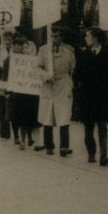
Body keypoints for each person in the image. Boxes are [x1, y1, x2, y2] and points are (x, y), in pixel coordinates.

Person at [74, 27, 108, 166]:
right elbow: (77, 75)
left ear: (96, 38)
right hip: (87, 96)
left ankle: (104, 155)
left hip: (103, 96)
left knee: (102, 125)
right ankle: (91, 153)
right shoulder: (83, 55)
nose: (86, 38)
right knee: (88, 127)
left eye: (88, 36)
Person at [35, 25, 76, 156]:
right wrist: (46, 76)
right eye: (51, 36)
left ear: (61, 37)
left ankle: (64, 146)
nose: (53, 39)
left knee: (64, 116)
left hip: (63, 85)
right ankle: (49, 145)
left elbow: (72, 68)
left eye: (56, 36)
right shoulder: (43, 50)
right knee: (48, 115)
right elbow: (37, 68)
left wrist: (69, 82)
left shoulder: (68, 50)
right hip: (48, 86)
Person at [6, 34, 39, 148]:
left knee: (28, 114)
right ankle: (19, 138)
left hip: (28, 90)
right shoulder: (10, 59)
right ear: (14, 46)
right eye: (19, 46)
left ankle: (28, 137)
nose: (21, 48)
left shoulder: (30, 59)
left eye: (23, 46)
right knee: (16, 115)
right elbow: (5, 74)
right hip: (15, 91)